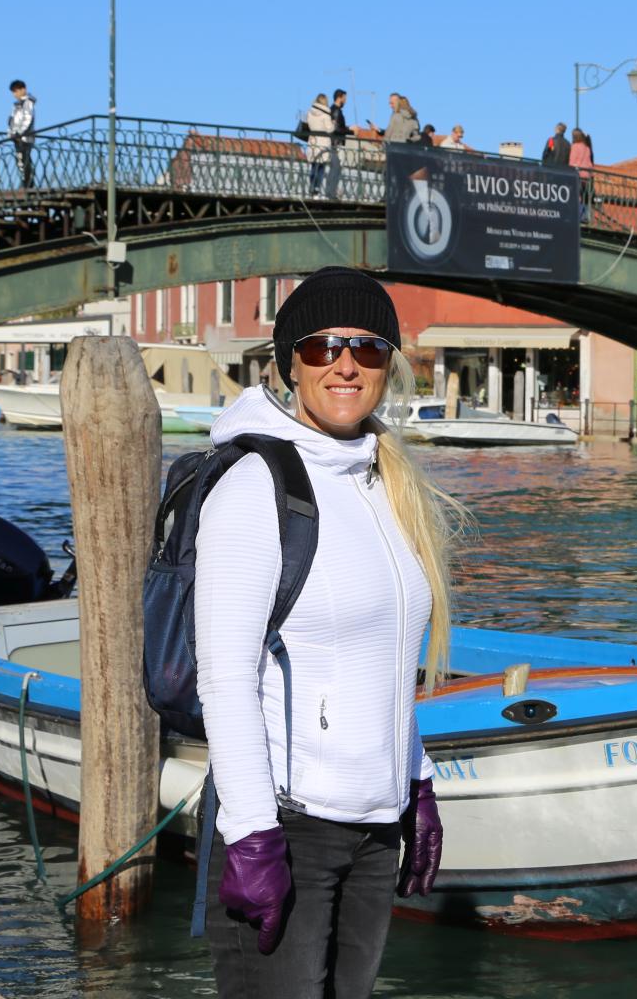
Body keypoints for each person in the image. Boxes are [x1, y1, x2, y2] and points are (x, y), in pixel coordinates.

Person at [196, 267, 455, 998]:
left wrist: (417, 779)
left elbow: (386, 659)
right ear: (289, 363)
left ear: (389, 365)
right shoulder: (254, 486)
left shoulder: (384, 483)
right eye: (322, 347)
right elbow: (226, 675)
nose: (346, 363)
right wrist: (250, 836)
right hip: (287, 827)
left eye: (369, 348)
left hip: (375, 829)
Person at [8, 80, 37, 187]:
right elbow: (12, 120)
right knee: (20, 159)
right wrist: (11, 132)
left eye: (16, 91)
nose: (15, 94)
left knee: (25, 159)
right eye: (13, 92)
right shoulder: (16, 105)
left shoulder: (28, 102)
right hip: (17, 137)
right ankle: (26, 180)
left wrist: (19, 132)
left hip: (25, 137)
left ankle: (28, 182)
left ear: (23, 89)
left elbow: (27, 119)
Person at [304, 94, 333, 197]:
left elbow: (308, 124)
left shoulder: (310, 112)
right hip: (322, 141)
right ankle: (316, 188)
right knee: (321, 166)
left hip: (313, 140)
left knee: (313, 165)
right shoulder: (326, 114)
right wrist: (333, 124)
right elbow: (329, 129)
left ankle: (311, 186)